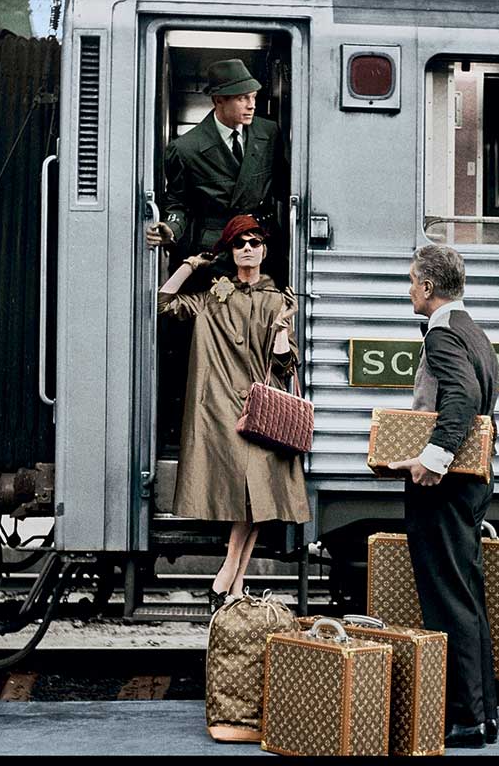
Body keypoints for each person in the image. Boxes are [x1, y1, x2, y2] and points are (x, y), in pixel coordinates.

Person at [155, 214, 310, 614]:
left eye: (254, 242)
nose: (247, 248)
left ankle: (229, 578)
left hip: (260, 410)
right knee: (250, 498)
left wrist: (280, 330)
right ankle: (233, 582)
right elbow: (164, 301)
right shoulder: (212, 296)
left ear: (264, 251)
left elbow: (285, 366)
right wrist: (192, 264)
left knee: (255, 496)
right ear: (230, 251)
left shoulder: (278, 300)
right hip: (223, 411)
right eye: (239, 243)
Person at [388, 244, 499, 750]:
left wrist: (430, 461)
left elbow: (462, 401)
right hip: (472, 483)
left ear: (429, 287)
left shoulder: (443, 335)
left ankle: (465, 719)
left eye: (413, 281)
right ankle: (482, 714)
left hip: (446, 487)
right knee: (466, 595)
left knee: (446, 599)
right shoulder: (474, 331)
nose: (409, 289)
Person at [146, 58, 289, 287]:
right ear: (218, 100)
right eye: (242, 98)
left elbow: (285, 187)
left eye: (253, 97)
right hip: (215, 253)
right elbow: (178, 203)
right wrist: (170, 230)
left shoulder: (269, 133)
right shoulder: (185, 148)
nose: (251, 105)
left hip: (259, 245)